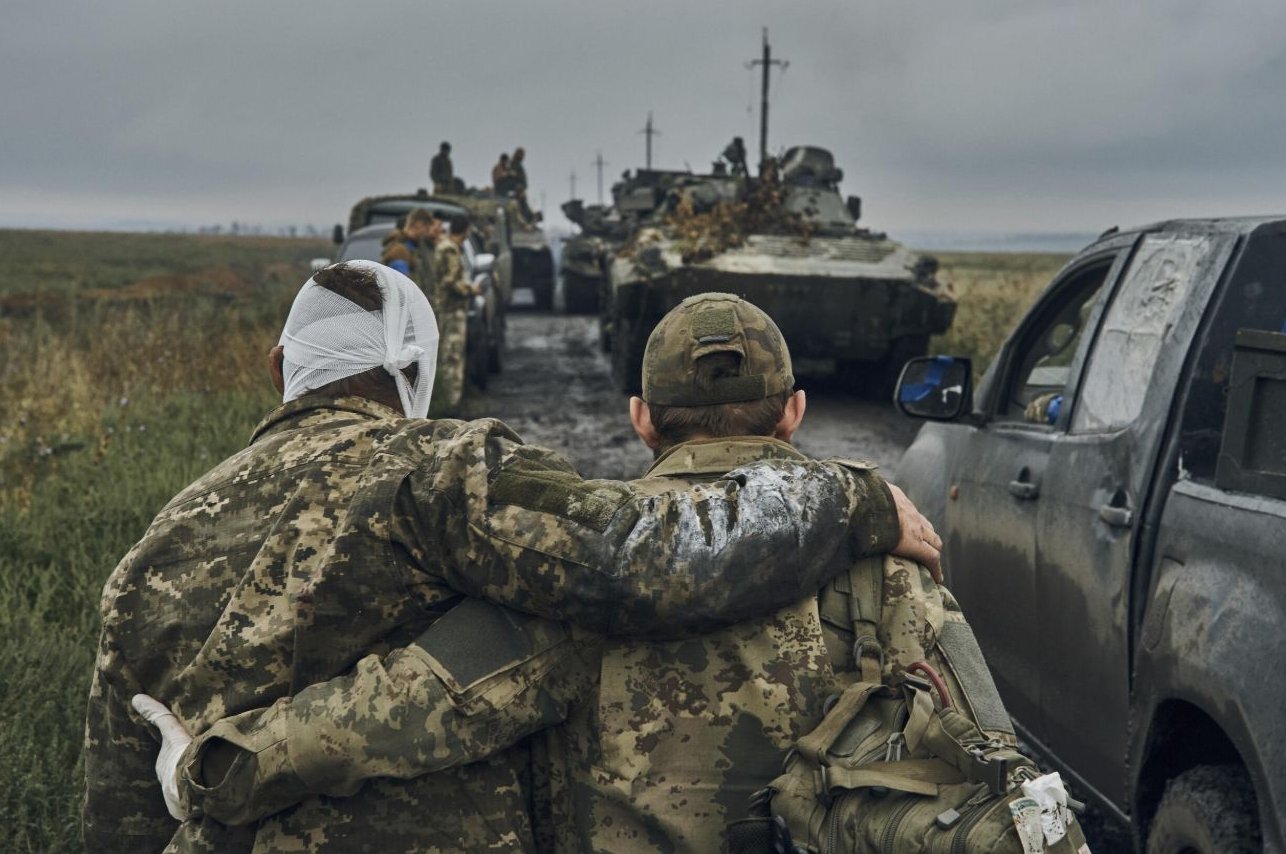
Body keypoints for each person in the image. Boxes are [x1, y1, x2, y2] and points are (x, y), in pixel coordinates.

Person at [83, 267, 940, 854]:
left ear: (643, 418)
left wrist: (219, 768)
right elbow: (629, 557)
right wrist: (850, 497)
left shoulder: (142, 563)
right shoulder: (445, 473)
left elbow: (118, 817)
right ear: (794, 410)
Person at [429, 214, 475, 412]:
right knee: (452, 356)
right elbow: (450, 281)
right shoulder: (450, 249)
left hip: (444, 308)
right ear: (465, 230)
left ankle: (446, 400)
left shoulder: (443, 246)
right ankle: (451, 404)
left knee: (446, 355)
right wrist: (470, 289)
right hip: (451, 309)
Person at [379, 207, 439, 300]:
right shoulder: (400, 251)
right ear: (418, 225)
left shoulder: (413, 248)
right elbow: (403, 289)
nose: (427, 233)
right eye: (426, 228)